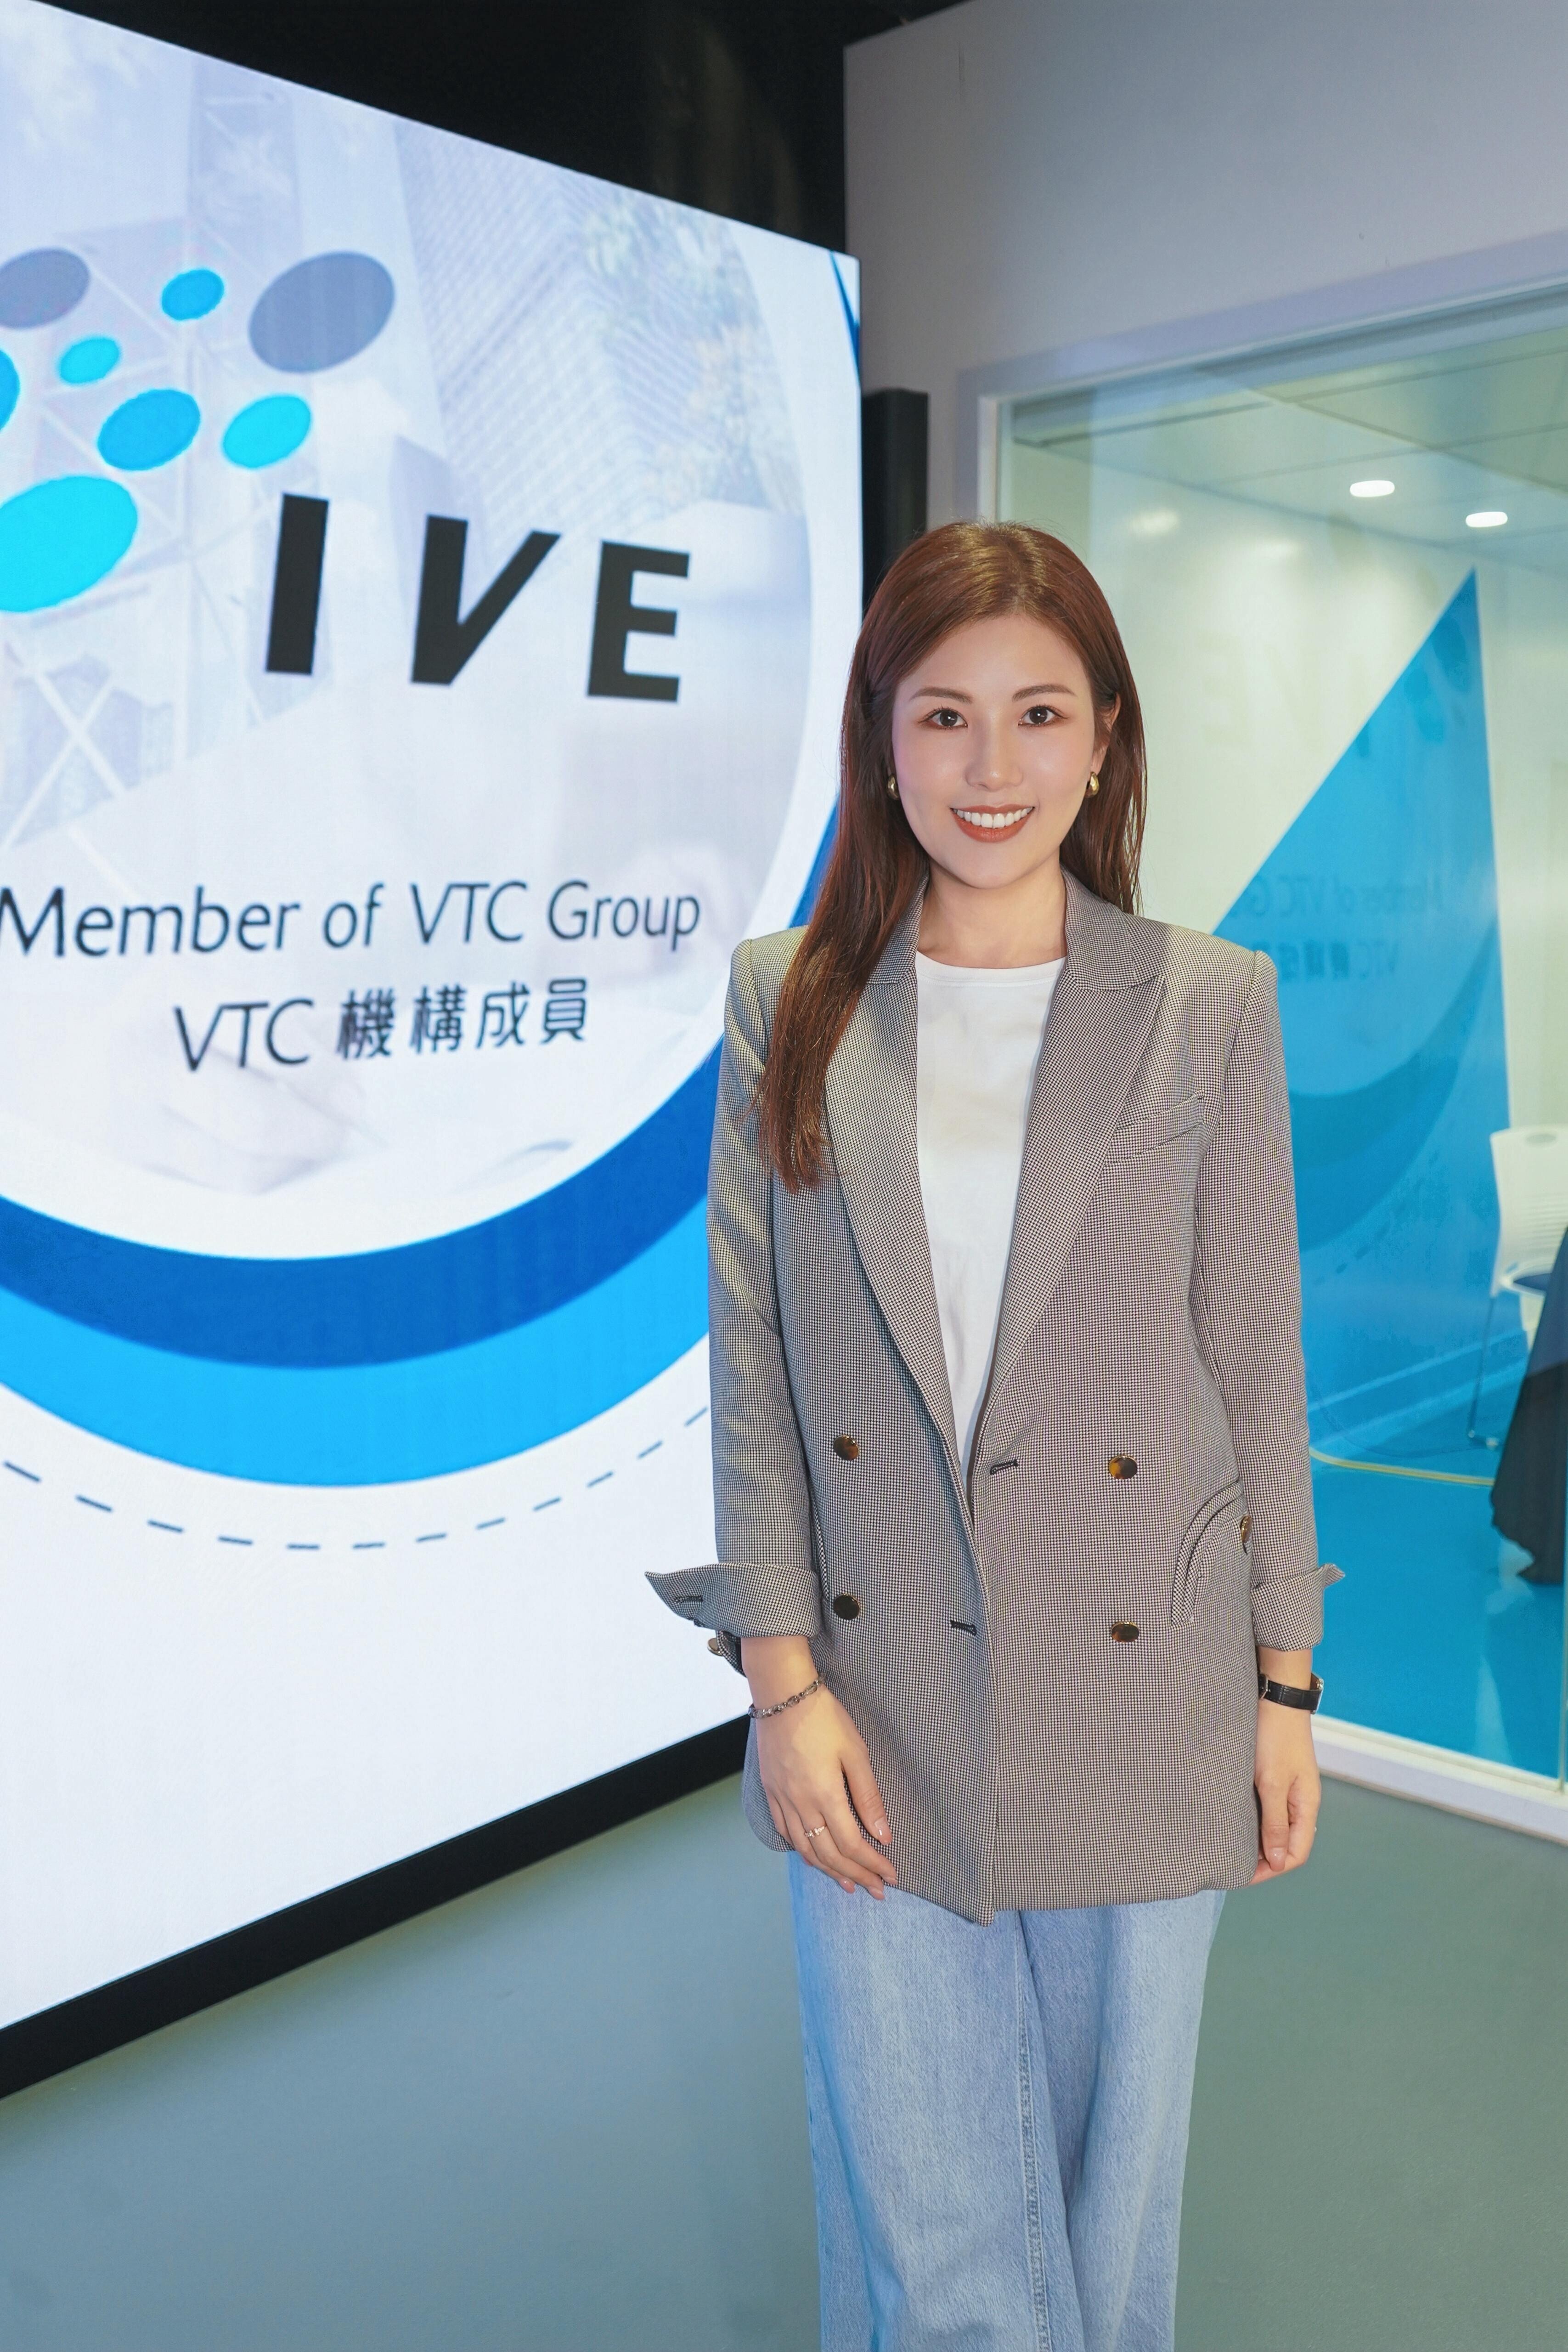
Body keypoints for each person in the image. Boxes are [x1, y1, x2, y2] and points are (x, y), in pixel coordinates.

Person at [650, 521, 1339, 2352]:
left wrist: (1284, 1683)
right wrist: (780, 1687)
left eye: (1039, 712)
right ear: (881, 737)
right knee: (926, 2226)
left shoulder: (1205, 1001)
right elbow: (754, 1360)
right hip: (872, 1698)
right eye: (943, 712)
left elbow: (1251, 1352)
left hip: (1145, 1683)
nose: (990, 763)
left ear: (1104, 739)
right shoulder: (788, 994)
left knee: (1112, 2218)